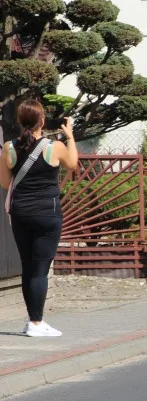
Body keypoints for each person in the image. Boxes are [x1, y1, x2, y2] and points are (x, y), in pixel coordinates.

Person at [0, 100, 79, 337]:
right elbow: (73, 165)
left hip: (20, 214)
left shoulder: (8, 147)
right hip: (47, 214)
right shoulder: (54, 147)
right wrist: (71, 137)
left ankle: (32, 321)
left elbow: (5, 183)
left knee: (28, 267)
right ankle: (36, 323)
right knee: (40, 270)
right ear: (42, 121)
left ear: (19, 121)